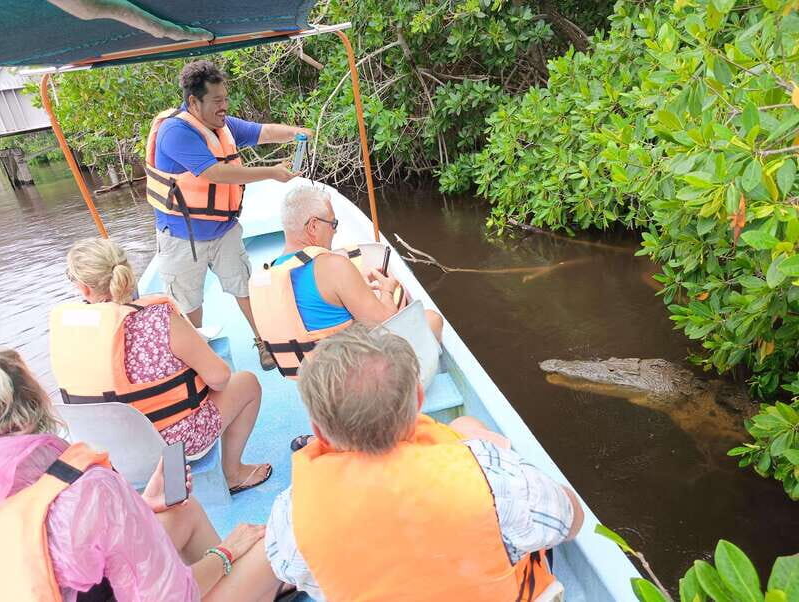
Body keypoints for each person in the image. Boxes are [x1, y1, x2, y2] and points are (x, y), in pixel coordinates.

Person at [264, 324, 585, 601]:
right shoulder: (487, 472)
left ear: (318, 430)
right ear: (418, 399)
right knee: (469, 429)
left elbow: (292, 571)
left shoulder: (292, 510)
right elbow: (571, 520)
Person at [0, 348, 286, 602]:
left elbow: (47, 543)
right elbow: (169, 596)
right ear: (34, 406)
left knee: (184, 511)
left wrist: (139, 508)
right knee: (269, 547)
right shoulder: (88, 487)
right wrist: (227, 552)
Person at [50, 237, 271, 494]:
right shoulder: (160, 320)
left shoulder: (70, 332)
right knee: (246, 382)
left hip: (108, 453)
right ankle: (233, 474)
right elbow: (219, 378)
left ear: (85, 289)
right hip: (171, 452)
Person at [145, 59, 312, 370]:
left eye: (226, 99)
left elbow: (262, 132)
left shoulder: (221, 125)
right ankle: (198, 357)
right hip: (183, 237)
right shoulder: (175, 132)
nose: (225, 107)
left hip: (223, 227)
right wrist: (272, 173)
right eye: (217, 101)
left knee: (244, 286)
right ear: (194, 101)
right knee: (189, 303)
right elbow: (215, 173)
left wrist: (296, 132)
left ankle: (264, 341)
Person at [249, 184, 444, 377]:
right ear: (313, 226)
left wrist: (356, 286)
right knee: (432, 319)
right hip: (357, 383)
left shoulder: (268, 277)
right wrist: (387, 289)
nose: (335, 231)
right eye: (333, 224)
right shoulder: (333, 266)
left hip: (318, 387)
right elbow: (386, 322)